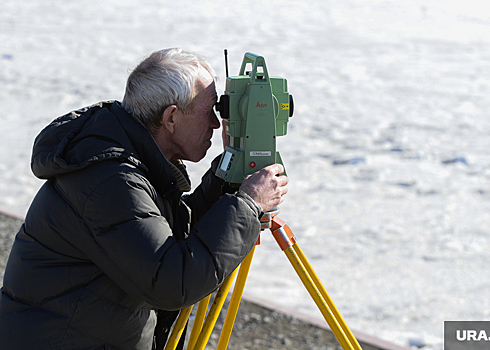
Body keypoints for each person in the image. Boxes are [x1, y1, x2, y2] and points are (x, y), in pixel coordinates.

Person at [0, 48, 289, 350]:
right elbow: (171, 280)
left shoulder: (130, 156)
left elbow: (168, 239)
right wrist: (246, 206)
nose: (217, 125)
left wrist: (224, 183)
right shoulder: (110, 181)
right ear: (172, 117)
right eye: (210, 112)